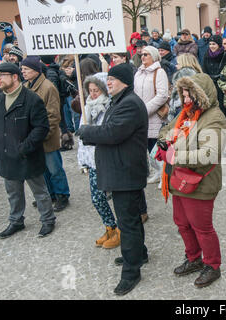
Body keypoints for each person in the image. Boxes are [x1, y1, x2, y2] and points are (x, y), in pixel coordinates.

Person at [77, 63, 149, 296]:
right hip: (123, 170)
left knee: (127, 224)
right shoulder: (120, 100)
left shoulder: (128, 104)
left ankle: (131, 272)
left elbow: (112, 132)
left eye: (113, 79)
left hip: (125, 172)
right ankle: (140, 254)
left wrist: (86, 132)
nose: (108, 82)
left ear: (125, 81)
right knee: (132, 219)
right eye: (107, 79)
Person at [157, 72, 226, 288]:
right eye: (184, 95)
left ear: (202, 95)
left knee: (201, 227)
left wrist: (174, 155)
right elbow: (166, 130)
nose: (185, 100)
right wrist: (164, 141)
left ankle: (212, 265)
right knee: (182, 224)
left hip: (200, 182)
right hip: (179, 179)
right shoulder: (186, 114)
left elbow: (209, 153)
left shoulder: (214, 117)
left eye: (190, 95)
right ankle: (194, 257)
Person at [0, 63, 56, 239]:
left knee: (40, 191)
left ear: (15, 77)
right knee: (13, 192)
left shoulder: (31, 99)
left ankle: (48, 220)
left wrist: (24, 148)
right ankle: (16, 221)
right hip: (6, 155)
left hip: (27, 156)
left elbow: (41, 128)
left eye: (2, 75)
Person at [22, 56, 71, 212]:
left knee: (54, 168)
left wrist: (43, 134)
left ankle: (62, 195)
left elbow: (54, 115)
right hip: (34, 136)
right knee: (42, 169)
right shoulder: (26, 86)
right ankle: (50, 194)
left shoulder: (48, 87)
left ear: (36, 71)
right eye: (22, 69)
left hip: (47, 136)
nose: (23, 72)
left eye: (26, 69)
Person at [77, 75, 119, 249]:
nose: (93, 94)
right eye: (91, 90)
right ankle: (110, 227)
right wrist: (82, 159)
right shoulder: (87, 107)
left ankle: (119, 230)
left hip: (105, 159)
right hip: (92, 159)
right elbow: (81, 135)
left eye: (97, 90)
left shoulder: (109, 107)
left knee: (112, 197)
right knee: (96, 198)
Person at [134, 46, 169, 188]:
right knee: (148, 149)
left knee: (156, 148)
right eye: (142, 55)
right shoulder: (138, 72)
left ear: (153, 56)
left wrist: (145, 109)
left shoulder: (159, 72)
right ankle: (156, 171)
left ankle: (163, 174)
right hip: (141, 117)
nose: (143, 57)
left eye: (146, 55)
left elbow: (162, 95)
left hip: (154, 116)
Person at [202, 35, 226, 117]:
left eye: (214, 44)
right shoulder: (206, 55)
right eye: (210, 44)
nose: (211, 46)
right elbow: (204, 70)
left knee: (223, 111)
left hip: (222, 87)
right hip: (210, 86)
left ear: (219, 45)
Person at [168, 53, 202, 122]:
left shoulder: (184, 73)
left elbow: (180, 93)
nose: (176, 65)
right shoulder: (197, 74)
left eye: (178, 63)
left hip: (181, 107)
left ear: (184, 63)